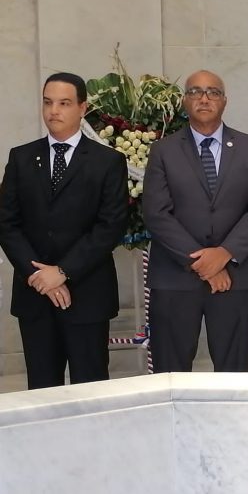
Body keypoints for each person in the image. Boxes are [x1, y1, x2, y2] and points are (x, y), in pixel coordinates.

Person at [0, 72, 128, 389]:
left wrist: (63, 272)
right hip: (35, 297)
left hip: (87, 295)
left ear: (82, 108)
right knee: (42, 392)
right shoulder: (21, 157)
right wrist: (40, 277)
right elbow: (7, 223)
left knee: (91, 388)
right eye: (47, 102)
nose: (53, 111)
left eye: (64, 103)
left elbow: (109, 227)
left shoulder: (108, 161)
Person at [143, 70, 248, 373]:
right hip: (175, 281)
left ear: (224, 102)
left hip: (238, 280)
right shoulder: (162, 151)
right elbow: (156, 213)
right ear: (185, 101)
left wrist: (224, 254)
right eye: (195, 92)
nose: (204, 98)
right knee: (170, 376)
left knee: (235, 376)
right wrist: (204, 263)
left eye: (213, 92)